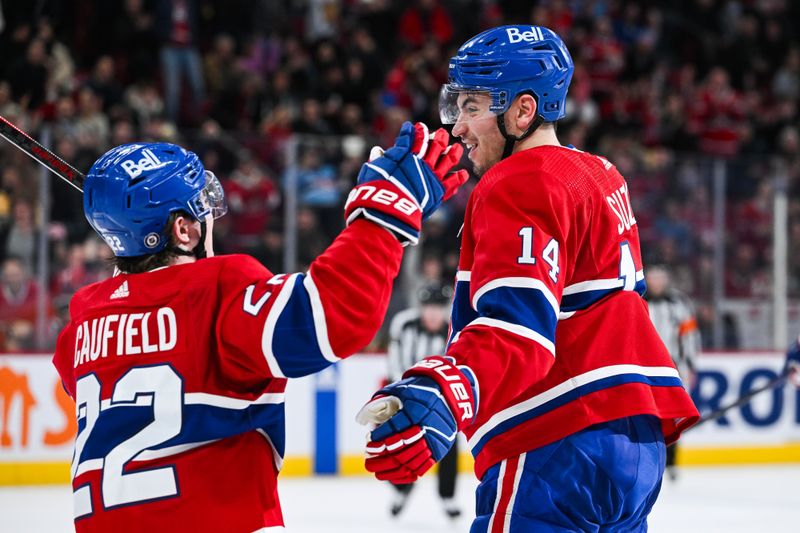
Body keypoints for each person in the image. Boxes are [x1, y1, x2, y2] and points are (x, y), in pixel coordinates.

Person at [358, 25, 699, 532]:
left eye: (472, 108)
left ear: (522, 110)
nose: (457, 127)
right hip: (635, 444)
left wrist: (446, 388)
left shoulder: (516, 180)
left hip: (556, 440)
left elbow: (520, 329)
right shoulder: (604, 173)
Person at [51, 123, 467, 532]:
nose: (212, 219)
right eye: (202, 210)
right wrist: (383, 213)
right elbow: (334, 316)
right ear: (183, 229)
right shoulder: (214, 291)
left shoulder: (83, 323)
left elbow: (127, 327)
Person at [385, 281, 460, 519]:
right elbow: (394, 362)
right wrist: (405, 394)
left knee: (447, 446)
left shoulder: (453, 329)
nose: (433, 312)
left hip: (442, 400)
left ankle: (448, 497)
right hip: (406, 396)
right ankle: (401, 489)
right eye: (429, 306)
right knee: (400, 444)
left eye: (438, 307)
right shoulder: (404, 325)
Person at [644, 265, 701, 481]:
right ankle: (651, 459)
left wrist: (691, 365)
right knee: (648, 414)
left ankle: (672, 461)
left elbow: (690, 336)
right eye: (652, 277)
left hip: (672, 367)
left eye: (660, 277)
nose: (656, 282)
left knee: (672, 413)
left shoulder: (679, 303)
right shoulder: (638, 299)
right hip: (644, 366)